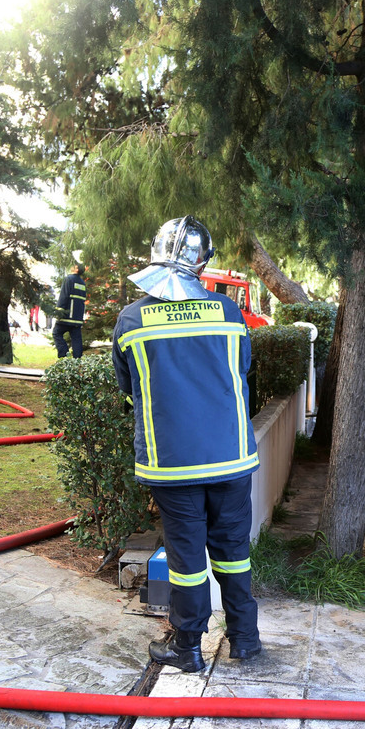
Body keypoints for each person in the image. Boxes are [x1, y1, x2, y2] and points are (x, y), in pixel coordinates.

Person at [111, 216, 261, 672]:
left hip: (172, 462)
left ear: (155, 256)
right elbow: (243, 371)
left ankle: (188, 647)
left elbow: (127, 385)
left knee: (187, 559)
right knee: (234, 551)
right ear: (203, 263)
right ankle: (246, 639)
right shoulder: (230, 314)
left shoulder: (132, 318)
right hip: (231, 456)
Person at [53, 263, 87, 358]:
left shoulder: (69, 279)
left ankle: (64, 357)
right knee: (76, 339)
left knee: (56, 333)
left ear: (76, 269)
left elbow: (63, 297)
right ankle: (77, 361)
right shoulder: (82, 283)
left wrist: (59, 312)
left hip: (67, 316)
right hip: (77, 318)